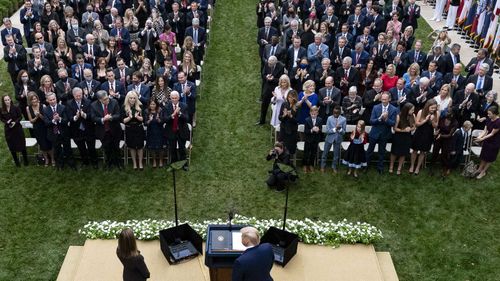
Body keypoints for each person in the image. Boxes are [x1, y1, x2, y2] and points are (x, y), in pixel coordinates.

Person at [365, 93, 398, 174]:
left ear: (389, 99)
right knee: (370, 151)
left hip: (385, 134)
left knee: (382, 152)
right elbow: (371, 121)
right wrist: (379, 119)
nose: (383, 101)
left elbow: (393, 123)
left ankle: (380, 167)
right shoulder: (376, 107)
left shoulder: (393, 109)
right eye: (382, 99)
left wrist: (386, 119)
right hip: (374, 133)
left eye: (385, 99)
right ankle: (366, 165)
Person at [66, 87, 98, 168]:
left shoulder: (88, 102)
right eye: (77, 96)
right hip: (76, 130)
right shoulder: (69, 104)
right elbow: (69, 117)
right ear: (73, 95)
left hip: (88, 129)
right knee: (81, 148)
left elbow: (92, 115)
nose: (79, 97)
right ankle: (85, 162)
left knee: (91, 147)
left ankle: (94, 162)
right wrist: (75, 117)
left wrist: (85, 115)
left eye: (80, 95)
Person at [43, 93, 75, 170]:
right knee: (57, 150)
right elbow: (46, 123)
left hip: (64, 132)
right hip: (53, 134)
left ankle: (71, 164)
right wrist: (54, 120)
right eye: (50, 100)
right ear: (47, 100)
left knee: (68, 149)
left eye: (54, 99)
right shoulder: (45, 110)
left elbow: (66, 120)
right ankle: (60, 165)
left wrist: (59, 119)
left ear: (56, 98)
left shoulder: (63, 107)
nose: (53, 101)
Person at [91, 90, 122, 170]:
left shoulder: (114, 102)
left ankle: (118, 163)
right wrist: (103, 119)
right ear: (100, 100)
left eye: (107, 98)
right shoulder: (94, 105)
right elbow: (93, 118)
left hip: (115, 130)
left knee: (116, 148)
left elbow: (118, 115)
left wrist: (111, 117)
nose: (107, 100)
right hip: (103, 131)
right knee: (107, 148)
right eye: (105, 99)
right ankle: (109, 164)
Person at [409, 99, 439, 175]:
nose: (433, 109)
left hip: (428, 134)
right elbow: (416, 124)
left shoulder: (436, 114)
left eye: (435, 108)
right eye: (432, 107)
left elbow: (436, 126)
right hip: (419, 133)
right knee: (415, 150)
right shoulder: (421, 112)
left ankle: (418, 167)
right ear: (427, 106)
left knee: (423, 151)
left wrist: (432, 121)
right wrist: (425, 120)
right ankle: (412, 166)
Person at [161, 91, 189, 170]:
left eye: (175, 98)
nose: (174, 100)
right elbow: (164, 119)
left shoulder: (184, 106)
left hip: (181, 131)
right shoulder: (166, 107)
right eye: (172, 98)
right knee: (172, 148)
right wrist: (172, 115)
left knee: (182, 148)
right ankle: (174, 163)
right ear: (170, 98)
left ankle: (184, 164)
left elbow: (187, 119)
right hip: (171, 131)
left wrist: (179, 113)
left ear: (178, 98)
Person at [0, 95, 28, 167]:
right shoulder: (2, 109)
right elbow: (1, 118)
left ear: (10, 99)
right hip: (9, 130)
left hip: (17, 129)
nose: (7, 101)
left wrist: (15, 122)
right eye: (5, 100)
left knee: (22, 144)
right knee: (11, 145)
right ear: (3, 101)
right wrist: (7, 122)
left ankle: (26, 160)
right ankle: (16, 162)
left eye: (8, 100)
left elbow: (20, 117)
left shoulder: (16, 107)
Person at [389, 103, 415, 174]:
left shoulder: (413, 116)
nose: (413, 111)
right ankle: (391, 166)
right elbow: (394, 128)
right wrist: (403, 130)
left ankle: (399, 168)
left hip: (407, 137)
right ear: (407, 110)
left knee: (403, 153)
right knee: (394, 152)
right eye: (412, 110)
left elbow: (414, 126)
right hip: (398, 136)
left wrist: (411, 129)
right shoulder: (399, 116)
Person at [475, 106, 500, 179]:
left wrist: (482, 139)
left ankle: (483, 172)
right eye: (488, 114)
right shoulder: (489, 119)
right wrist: (479, 137)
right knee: (484, 155)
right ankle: (480, 169)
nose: (488, 115)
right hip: (487, 140)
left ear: (495, 114)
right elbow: (485, 131)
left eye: (489, 114)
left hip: (494, 142)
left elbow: (492, 134)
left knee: (489, 158)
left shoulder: (498, 122)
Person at [430, 112, 458, 176]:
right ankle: (431, 167)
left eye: (450, 118)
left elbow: (450, 135)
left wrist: (441, 136)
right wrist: (436, 131)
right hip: (438, 138)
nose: (448, 119)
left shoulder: (455, 123)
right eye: (448, 117)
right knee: (435, 152)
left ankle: (445, 168)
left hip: (447, 139)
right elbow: (438, 127)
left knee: (444, 155)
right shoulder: (442, 118)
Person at [122, 91, 145, 170]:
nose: (132, 100)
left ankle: (140, 163)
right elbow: (123, 121)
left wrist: (137, 117)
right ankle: (135, 163)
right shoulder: (124, 107)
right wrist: (130, 117)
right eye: (130, 98)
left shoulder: (140, 106)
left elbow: (143, 119)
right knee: (131, 147)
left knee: (140, 146)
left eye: (134, 98)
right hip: (129, 128)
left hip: (138, 128)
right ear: (127, 98)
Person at [321, 106, 346, 173]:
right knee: (325, 153)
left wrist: (340, 129)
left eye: (337, 113)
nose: (335, 114)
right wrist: (335, 129)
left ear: (340, 113)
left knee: (336, 155)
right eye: (334, 113)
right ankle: (323, 166)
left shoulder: (343, 119)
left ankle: (334, 166)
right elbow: (327, 131)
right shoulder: (329, 118)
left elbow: (344, 132)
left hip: (338, 139)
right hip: (329, 138)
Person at [278, 90, 299, 155]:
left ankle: (289, 160)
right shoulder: (284, 104)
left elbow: (297, 121)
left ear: (295, 98)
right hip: (284, 129)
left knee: (290, 148)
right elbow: (280, 118)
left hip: (292, 130)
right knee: (281, 146)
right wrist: (284, 115)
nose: (290, 99)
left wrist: (291, 116)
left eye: (292, 97)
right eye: (289, 97)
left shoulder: (297, 106)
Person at [303, 106, 323, 173]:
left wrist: (318, 130)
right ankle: (305, 165)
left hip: (315, 140)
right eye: (312, 114)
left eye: (315, 114)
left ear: (317, 113)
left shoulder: (320, 120)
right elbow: (305, 131)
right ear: (310, 113)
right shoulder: (307, 120)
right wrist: (311, 130)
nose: (313, 115)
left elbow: (321, 130)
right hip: (308, 139)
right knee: (306, 153)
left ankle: (311, 164)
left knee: (313, 153)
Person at [145, 99, 164, 168]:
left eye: (154, 104)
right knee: (152, 147)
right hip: (151, 131)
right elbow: (145, 123)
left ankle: (161, 160)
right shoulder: (146, 111)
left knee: (160, 147)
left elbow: (162, 122)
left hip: (159, 131)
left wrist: (158, 119)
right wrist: (149, 120)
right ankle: (154, 161)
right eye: (151, 104)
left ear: (156, 105)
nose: (152, 106)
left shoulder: (160, 111)